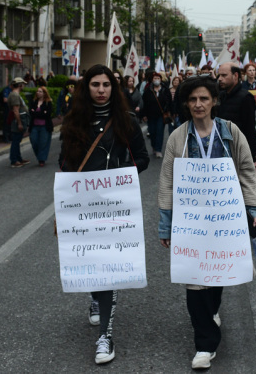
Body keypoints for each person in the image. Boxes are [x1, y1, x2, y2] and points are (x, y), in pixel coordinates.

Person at [157, 76, 256, 370]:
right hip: (191, 222)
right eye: (192, 100)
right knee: (194, 280)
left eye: (204, 99)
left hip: (226, 218)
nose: (198, 104)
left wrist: (252, 207)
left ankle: (212, 311)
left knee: (217, 273)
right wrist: (166, 223)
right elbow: (166, 181)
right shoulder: (178, 137)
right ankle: (204, 344)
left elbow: (246, 169)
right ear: (186, 104)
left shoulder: (230, 131)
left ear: (214, 101)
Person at [58, 64, 150, 365]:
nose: (101, 90)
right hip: (83, 204)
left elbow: (143, 159)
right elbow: (65, 164)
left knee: (109, 267)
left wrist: (120, 179)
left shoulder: (127, 121)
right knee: (90, 260)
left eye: (106, 84)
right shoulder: (74, 121)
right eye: (95, 84)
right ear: (87, 88)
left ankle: (105, 336)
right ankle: (95, 296)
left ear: (114, 87)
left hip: (115, 205)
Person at [141, 71, 172, 158]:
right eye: (155, 78)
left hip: (161, 115)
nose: (157, 80)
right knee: (152, 131)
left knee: (159, 132)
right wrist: (144, 115)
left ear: (161, 80)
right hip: (151, 115)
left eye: (158, 78)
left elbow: (169, 101)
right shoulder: (148, 91)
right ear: (152, 80)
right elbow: (144, 103)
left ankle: (158, 149)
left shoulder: (165, 90)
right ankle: (154, 146)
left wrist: (169, 111)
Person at [28, 86, 54, 166]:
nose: (38, 93)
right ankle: (39, 156)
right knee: (34, 141)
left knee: (43, 143)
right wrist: (42, 113)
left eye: (40, 91)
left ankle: (41, 159)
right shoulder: (34, 102)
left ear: (44, 93)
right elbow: (31, 113)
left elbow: (47, 114)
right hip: (34, 126)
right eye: (37, 91)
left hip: (44, 127)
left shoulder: (48, 102)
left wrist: (37, 113)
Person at [7, 77, 31, 168]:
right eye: (23, 84)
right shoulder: (14, 95)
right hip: (17, 121)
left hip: (20, 120)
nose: (24, 86)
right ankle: (14, 160)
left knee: (17, 140)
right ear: (20, 85)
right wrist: (19, 123)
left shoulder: (16, 94)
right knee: (15, 141)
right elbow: (16, 111)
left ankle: (19, 158)